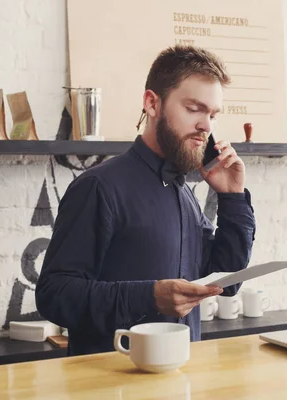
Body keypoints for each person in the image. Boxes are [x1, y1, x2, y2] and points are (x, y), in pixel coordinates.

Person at [35, 45, 256, 356]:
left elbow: (226, 282)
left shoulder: (183, 194)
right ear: (152, 104)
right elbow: (53, 295)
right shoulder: (98, 187)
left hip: (179, 381)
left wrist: (232, 198)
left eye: (212, 114)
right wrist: (149, 296)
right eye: (194, 108)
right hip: (108, 386)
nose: (207, 126)